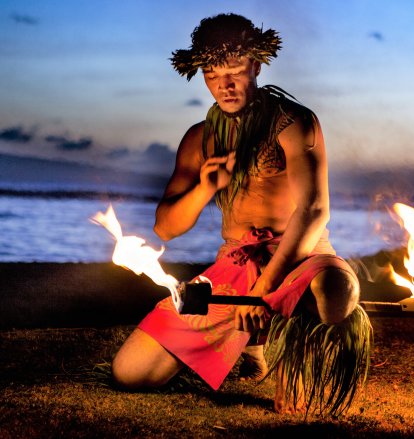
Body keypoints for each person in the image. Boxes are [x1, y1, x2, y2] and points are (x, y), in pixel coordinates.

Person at [110, 13, 371, 415]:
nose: (225, 85)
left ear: (257, 65)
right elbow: (166, 227)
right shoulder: (200, 138)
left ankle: (284, 349)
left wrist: (266, 291)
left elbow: (315, 210)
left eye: (234, 71)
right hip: (234, 267)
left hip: (301, 260)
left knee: (338, 293)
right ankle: (252, 347)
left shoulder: (294, 123)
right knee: (131, 373)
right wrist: (205, 188)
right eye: (213, 75)